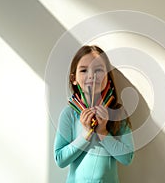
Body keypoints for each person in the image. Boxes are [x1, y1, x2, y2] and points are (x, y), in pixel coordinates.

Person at [54, 45, 134, 183]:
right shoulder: (69, 114)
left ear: (108, 76)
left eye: (99, 70)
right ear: (74, 78)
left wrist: (103, 132)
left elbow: (127, 158)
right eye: (84, 70)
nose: (92, 75)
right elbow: (60, 160)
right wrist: (85, 134)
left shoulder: (118, 113)